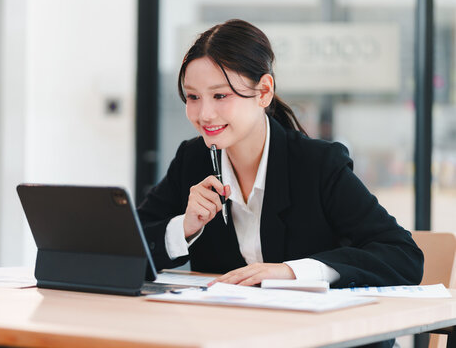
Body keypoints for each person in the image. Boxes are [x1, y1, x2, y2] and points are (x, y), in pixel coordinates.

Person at [138, 19, 423, 294]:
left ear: (263, 92)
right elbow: (123, 250)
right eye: (193, 97)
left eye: (220, 96)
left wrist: (292, 272)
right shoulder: (193, 159)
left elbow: (402, 255)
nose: (204, 114)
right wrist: (184, 228)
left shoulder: (317, 164)